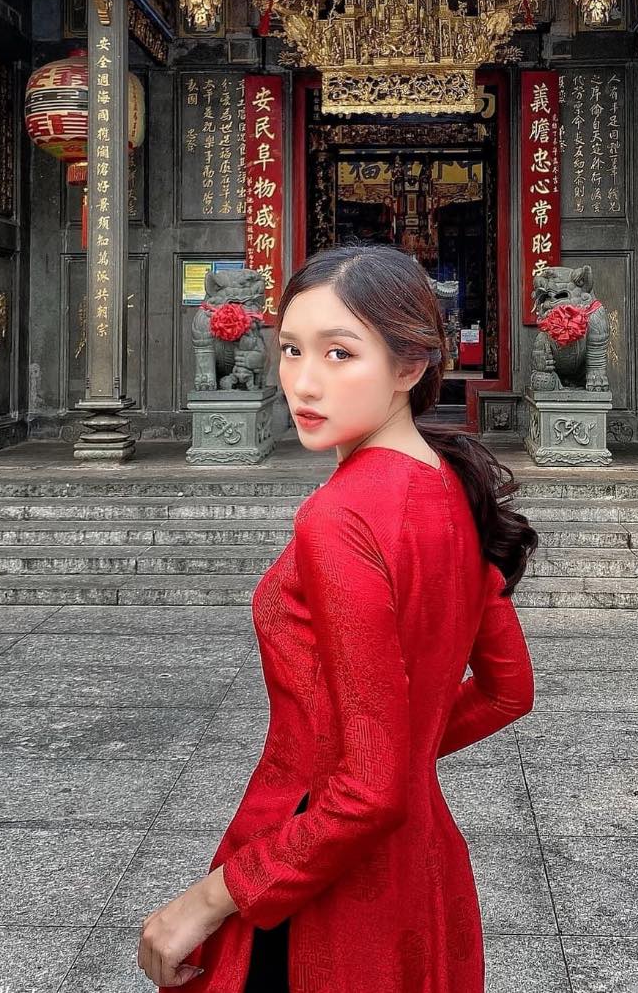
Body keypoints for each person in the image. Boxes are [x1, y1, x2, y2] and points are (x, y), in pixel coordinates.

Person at [137, 242, 538, 993]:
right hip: (418, 863)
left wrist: (207, 900)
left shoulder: (340, 517)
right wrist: (397, 751)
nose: (303, 381)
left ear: (409, 366)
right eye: (291, 349)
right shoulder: (451, 484)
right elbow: (506, 692)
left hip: (324, 884)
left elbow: (368, 791)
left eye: (339, 353)